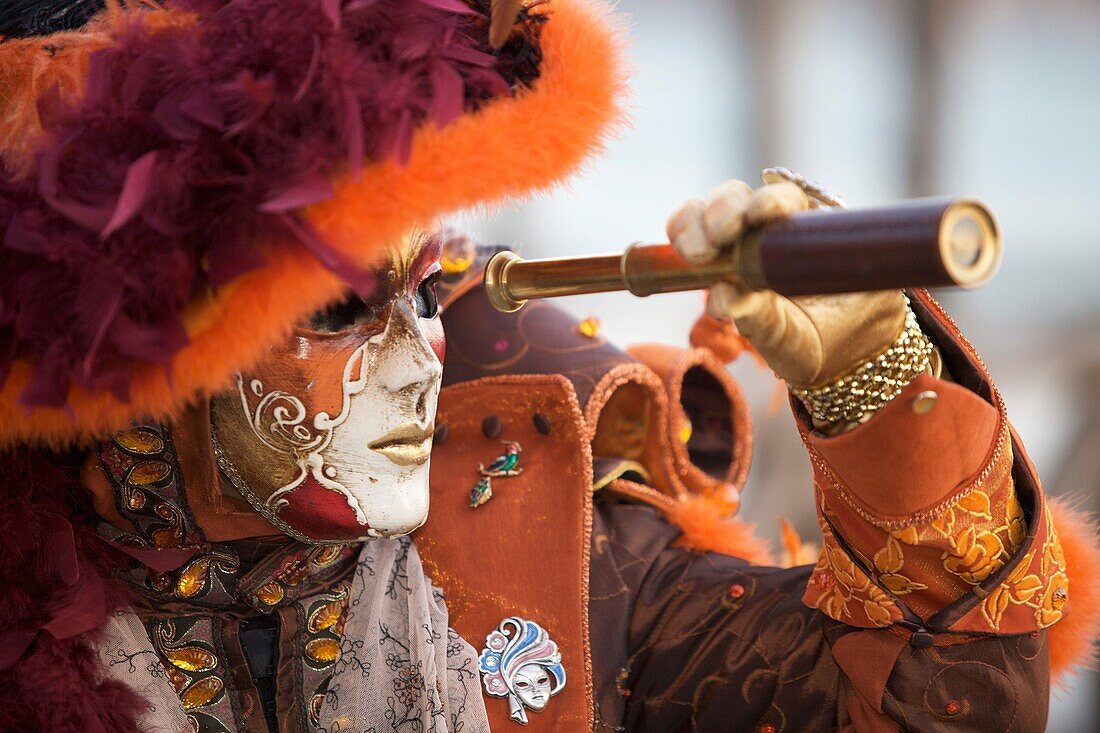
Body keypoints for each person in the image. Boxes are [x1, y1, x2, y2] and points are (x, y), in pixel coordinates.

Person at [0, 2, 1096, 732]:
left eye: (430, 291)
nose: (419, 353)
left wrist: (868, 380)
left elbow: (943, 706)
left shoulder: (555, 551)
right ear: (121, 332)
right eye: (335, 306)